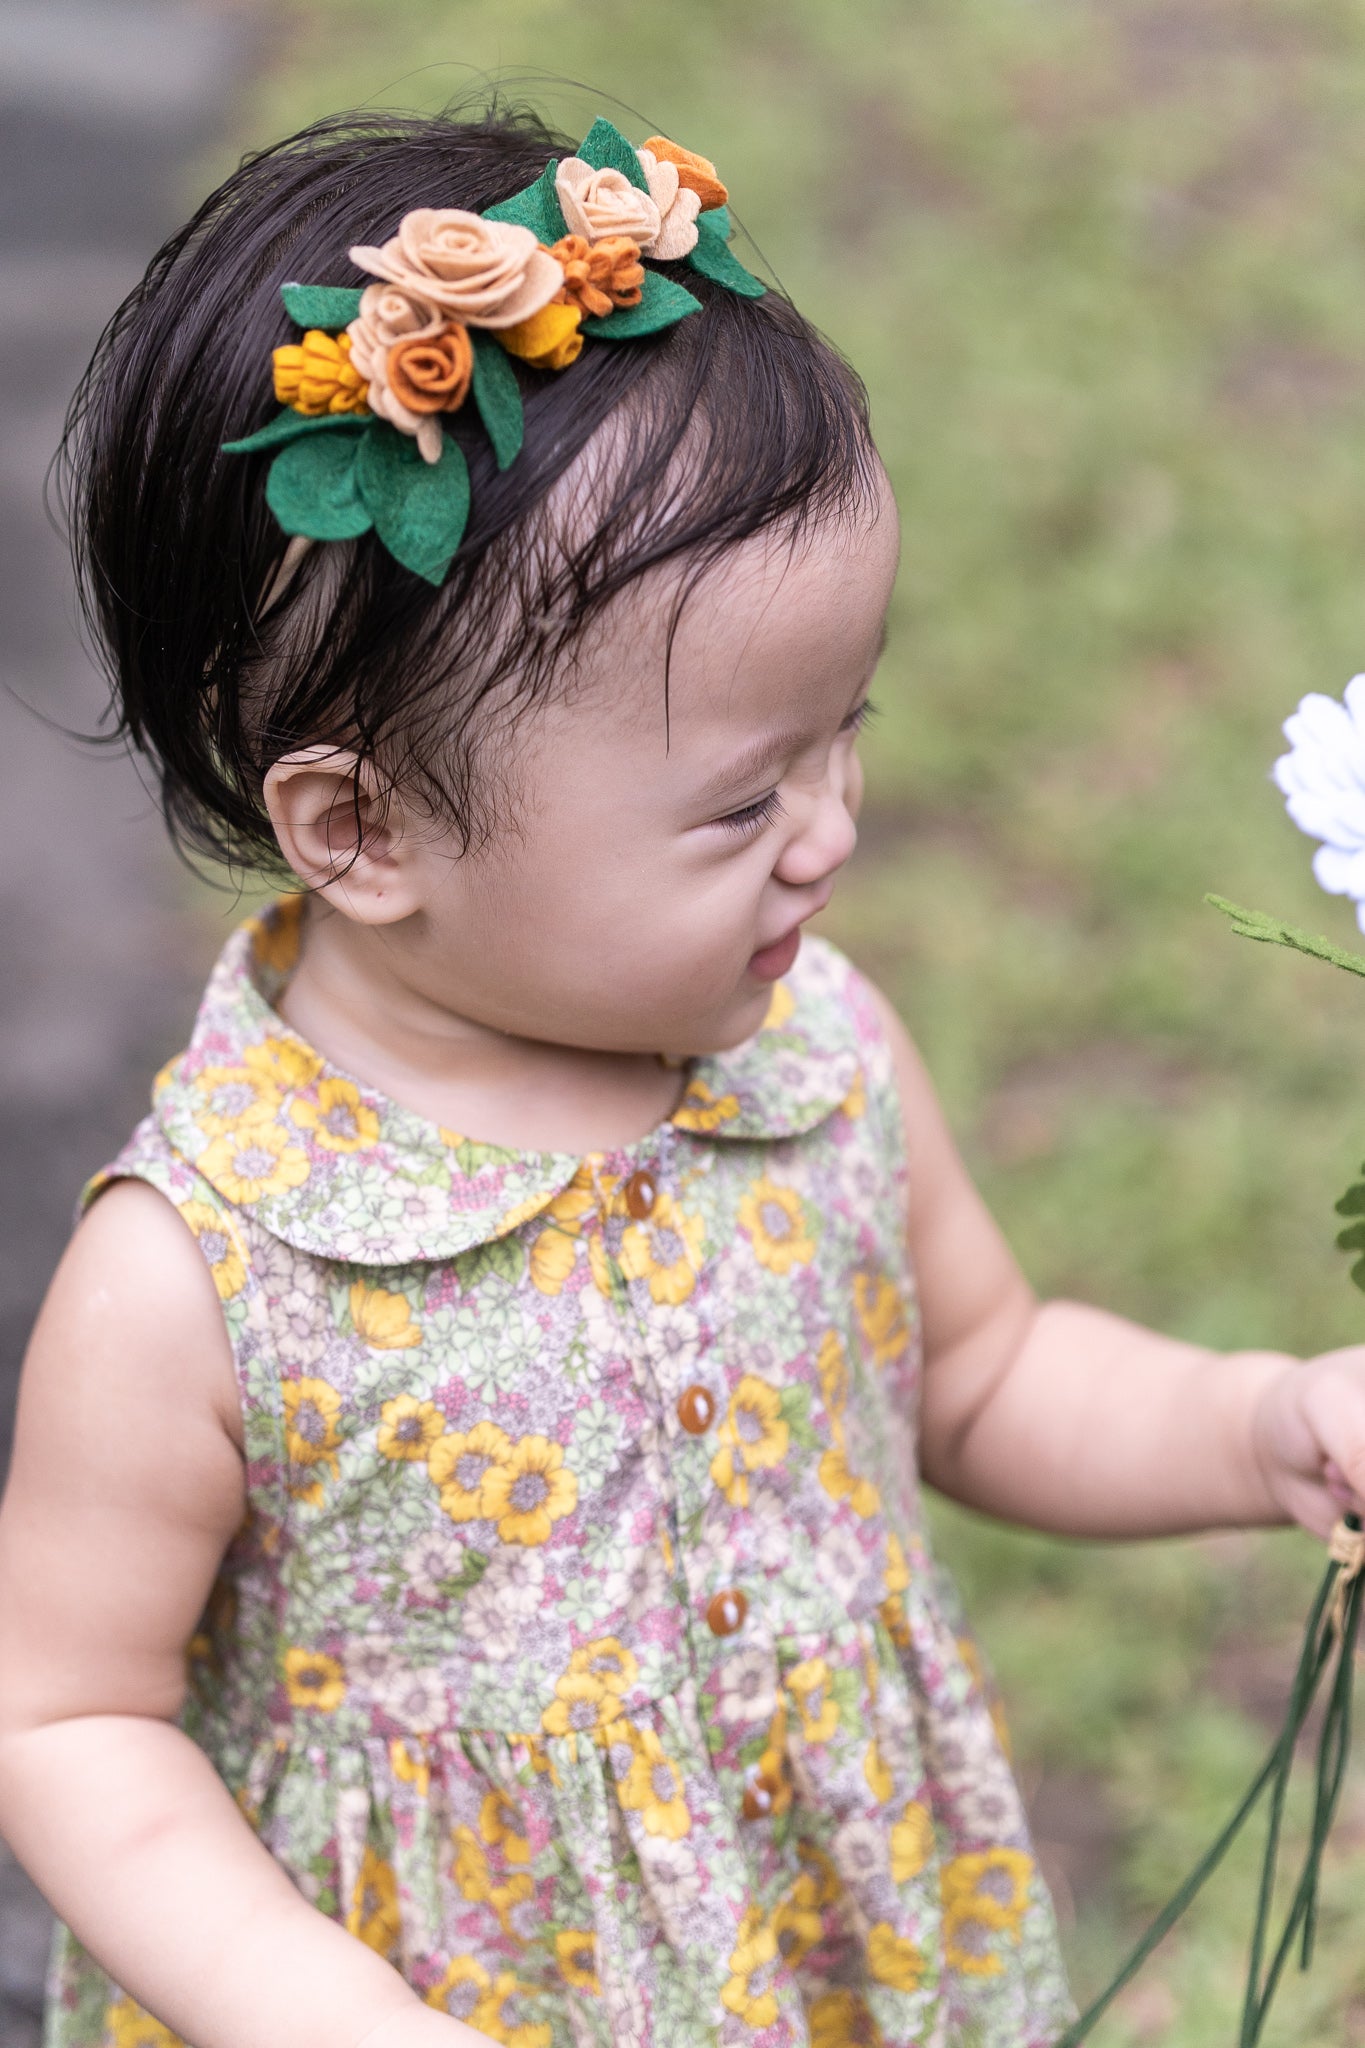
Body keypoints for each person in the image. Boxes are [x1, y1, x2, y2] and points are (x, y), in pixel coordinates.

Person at [0, 99, 1360, 2048]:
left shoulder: (807, 1058)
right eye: (739, 801)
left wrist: (1257, 1424)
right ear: (360, 829)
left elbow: (975, 1371)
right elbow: (67, 1715)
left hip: (826, 1963)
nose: (830, 830)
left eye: (843, 733)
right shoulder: (207, 1271)